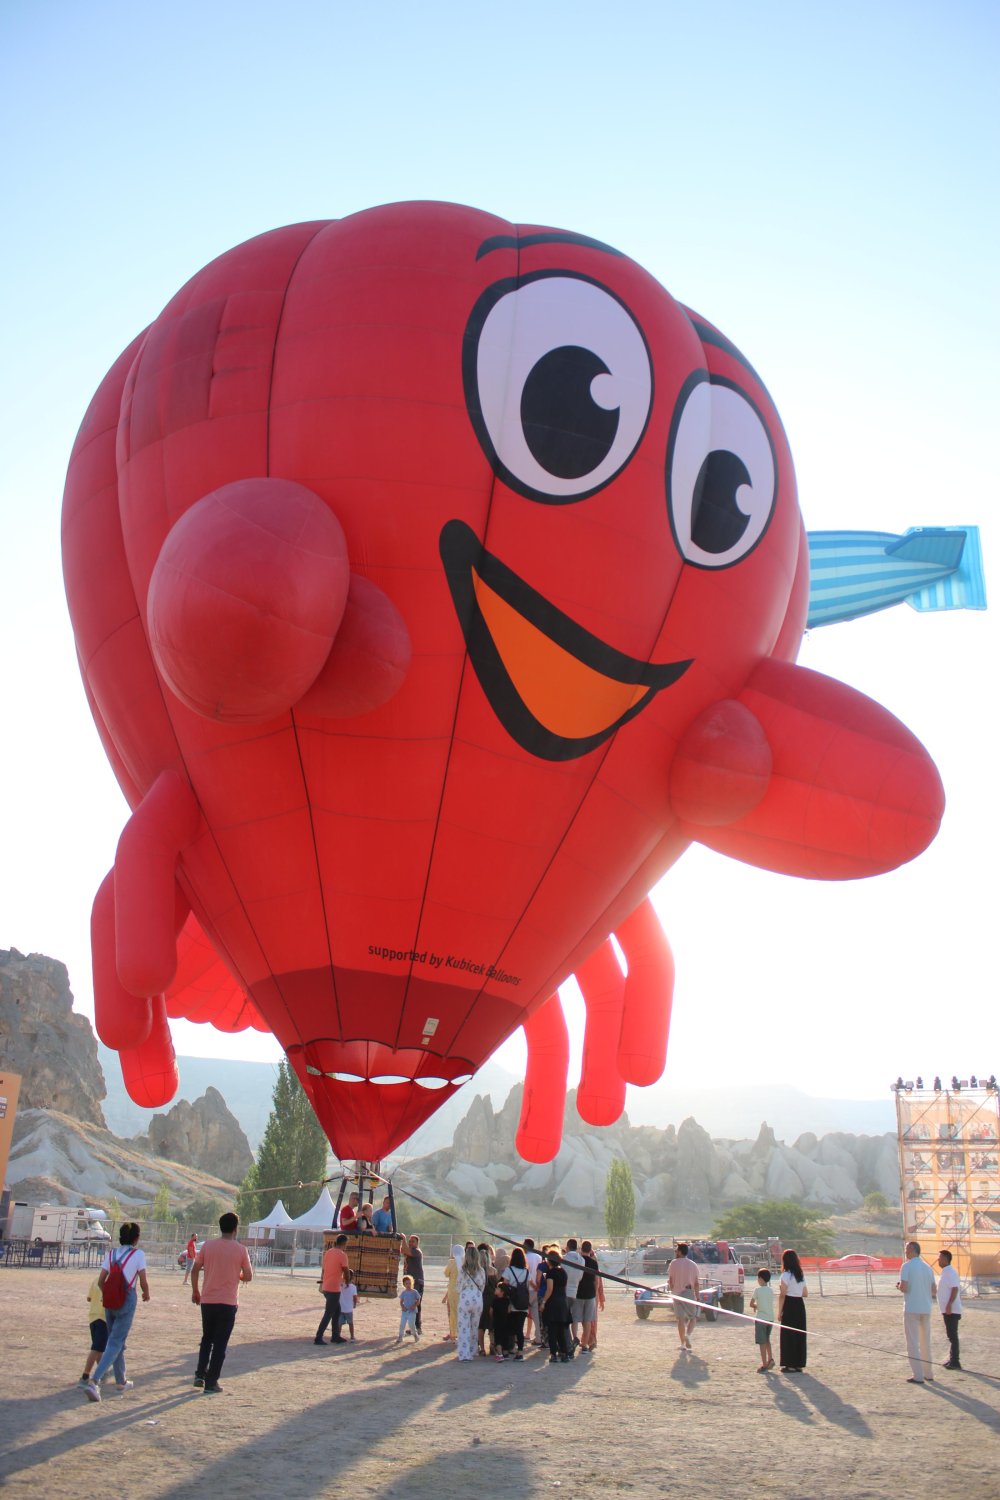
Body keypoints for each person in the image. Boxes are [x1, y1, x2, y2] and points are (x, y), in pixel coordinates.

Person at [85, 1222, 150, 1402]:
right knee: (115, 1342)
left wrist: (108, 1293)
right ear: (136, 1238)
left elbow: (100, 1281)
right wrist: (146, 1293)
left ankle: (121, 1381)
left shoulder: (112, 1253)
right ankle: (94, 1380)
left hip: (109, 1301)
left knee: (117, 1341)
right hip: (127, 1300)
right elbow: (143, 1280)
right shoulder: (138, 1255)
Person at [191, 1210, 253, 1393]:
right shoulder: (241, 1250)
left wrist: (195, 1290)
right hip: (227, 1302)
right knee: (220, 1343)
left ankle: (200, 1374)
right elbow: (248, 1276)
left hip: (208, 1300)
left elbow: (195, 1269)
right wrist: (238, 1275)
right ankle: (212, 1382)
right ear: (235, 1229)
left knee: (206, 1339)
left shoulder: (208, 1246)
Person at [898, 1240, 936, 1383]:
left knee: (913, 1342)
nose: (906, 1252)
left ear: (913, 1250)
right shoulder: (928, 1267)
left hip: (912, 1308)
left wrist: (899, 1287)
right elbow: (934, 1290)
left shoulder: (906, 1266)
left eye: (907, 1249)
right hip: (926, 1308)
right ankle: (929, 1373)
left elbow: (905, 1287)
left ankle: (918, 1375)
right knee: (925, 1341)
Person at [316, 1232, 351, 1344]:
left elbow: (325, 1268)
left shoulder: (329, 1252)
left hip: (326, 1286)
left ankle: (335, 1336)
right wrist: (348, 1282)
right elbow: (346, 1271)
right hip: (334, 1288)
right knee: (329, 1313)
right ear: (344, 1243)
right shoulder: (342, 1255)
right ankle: (318, 1337)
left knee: (336, 1311)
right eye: (346, 1244)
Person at [777, 1249, 808, 1373]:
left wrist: (779, 1311)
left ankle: (789, 1364)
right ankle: (798, 1364)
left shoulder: (785, 1275)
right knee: (799, 1333)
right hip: (799, 1304)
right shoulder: (800, 1275)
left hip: (789, 1304)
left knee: (788, 1334)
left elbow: (782, 1294)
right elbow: (805, 1293)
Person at [667, 1242, 700, 1352]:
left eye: (676, 1250)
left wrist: (672, 1289)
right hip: (688, 1292)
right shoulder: (693, 1264)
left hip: (676, 1293)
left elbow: (670, 1280)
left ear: (680, 1251)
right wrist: (697, 1296)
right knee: (693, 1317)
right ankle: (688, 1335)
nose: (676, 1252)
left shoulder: (673, 1263)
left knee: (680, 1319)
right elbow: (696, 1283)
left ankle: (682, 1344)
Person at [541, 1249, 572, 1362]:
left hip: (553, 1303)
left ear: (550, 1261)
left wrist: (543, 1302)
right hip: (563, 1302)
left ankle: (553, 1354)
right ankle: (564, 1353)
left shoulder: (551, 1273)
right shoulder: (563, 1272)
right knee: (561, 1330)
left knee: (552, 1330)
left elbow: (550, 1289)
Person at [456, 1244, 485, 1360]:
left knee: (464, 1327)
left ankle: (464, 1354)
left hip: (465, 1297)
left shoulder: (463, 1270)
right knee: (474, 1326)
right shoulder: (481, 1270)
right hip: (477, 1298)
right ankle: (473, 1350)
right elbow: (482, 1285)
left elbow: (458, 1287)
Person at [576, 1241, 604, 1352]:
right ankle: (587, 1343)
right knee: (589, 1320)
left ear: (581, 1249)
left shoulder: (578, 1261)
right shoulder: (594, 1263)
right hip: (591, 1294)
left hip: (579, 1293)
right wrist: (596, 1294)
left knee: (578, 1319)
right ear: (591, 1250)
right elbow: (597, 1282)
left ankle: (584, 1341)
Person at [502, 1246, 530, 1358]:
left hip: (512, 1303)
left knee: (509, 1328)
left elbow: (505, 1286)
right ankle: (520, 1352)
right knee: (520, 1329)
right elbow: (527, 1288)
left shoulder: (509, 1270)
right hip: (523, 1304)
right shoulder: (526, 1272)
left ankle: (507, 1349)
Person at [936, 1249, 962, 1370]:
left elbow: (955, 1289)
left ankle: (955, 1361)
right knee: (951, 1335)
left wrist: (949, 1304)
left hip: (952, 1310)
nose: (938, 1260)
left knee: (952, 1335)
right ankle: (952, 1359)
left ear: (946, 1259)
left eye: (940, 1257)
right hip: (949, 1309)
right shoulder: (946, 1272)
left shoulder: (950, 1272)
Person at [80, 1276, 108, 1385]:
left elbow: (89, 1298)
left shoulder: (97, 1279)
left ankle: (102, 1372)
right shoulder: (112, 1280)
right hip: (103, 1317)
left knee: (100, 1348)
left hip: (93, 1317)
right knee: (97, 1348)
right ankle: (85, 1375)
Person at [749, 1267, 775, 1372]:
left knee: (762, 1342)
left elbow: (751, 1304)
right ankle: (770, 1359)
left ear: (760, 1279)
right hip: (770, 1318)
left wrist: (756, 1306)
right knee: (767, 1339)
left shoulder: (757, 1290)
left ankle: (764, 1364)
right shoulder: (771, 1290)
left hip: (761, 1319)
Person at [562, 1237, 585, 1349]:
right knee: (574, 1317)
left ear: (567, 1247)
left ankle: (568, 1343)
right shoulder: (581, 1260)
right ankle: (574, 1336)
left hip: (564, 1291)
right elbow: (580, 1277)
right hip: (574, 1290)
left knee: (565, 1318)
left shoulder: (564, 1258)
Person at [401, 1234, 426, 1334]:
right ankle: (413, 1327)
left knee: (416, 1304)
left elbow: (406, 1250)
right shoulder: (409, 1251)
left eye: (413, 1241)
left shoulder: (416, 1251)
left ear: (417, 1243)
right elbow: (402, 1250)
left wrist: (403, 1239)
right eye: (410, 1241)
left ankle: (418, 1327)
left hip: (417, 1282)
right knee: (411, 1304)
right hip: (411, 1283)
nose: (410, 1243)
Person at [477, 1244, 497, 1356]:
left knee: (481, 1325)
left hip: (481, 1299)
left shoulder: (477, 1271)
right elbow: (495, 1286)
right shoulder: (493, 1270)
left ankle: (482, 1348)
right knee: (491, 1325)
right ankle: (492, 1345)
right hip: (492, 1299)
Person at [523, 1237, 544, 1345]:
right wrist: (538, 1286)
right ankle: (538, 1337)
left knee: (522, 1312)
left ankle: (521, 1335)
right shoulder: (539, 1257)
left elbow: (527, 1274)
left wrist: (533, 1285)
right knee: (536, 1314)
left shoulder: (525, 1257)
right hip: (538, 1289)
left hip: (527, 1288)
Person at [442, 1244, 461, 1340]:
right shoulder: (465, 1262)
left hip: (453, 1289)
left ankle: (453, 1334)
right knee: (461, 1312)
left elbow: (446, 1273)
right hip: (462, 1290)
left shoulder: (451, 1262)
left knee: (453, 1312)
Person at [397, 1275, 421, 1342]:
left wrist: (414, 1305)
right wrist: (403, 1307)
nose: (408, 1285)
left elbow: (418, 1300)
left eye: (409, 1283)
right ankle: (400, 1336)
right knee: (402, 1324)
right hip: (404, 1312)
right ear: (404, 1284)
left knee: (411, 1325)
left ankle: (415, 1335)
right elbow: (401, 1302)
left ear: (412, 1283)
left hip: (412, 1311)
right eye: (406, 1283)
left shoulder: (414, 1292)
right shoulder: (403, 1293)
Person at [339, 1268, 359, 1341]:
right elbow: (355, 1298)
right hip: (349, 1309)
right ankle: (352, 1337)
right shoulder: (353, 1287)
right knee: (350, 1323)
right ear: (352, 1277)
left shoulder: (340, 1285)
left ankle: (338, 1336)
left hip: (341, 1308)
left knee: (339, 1324)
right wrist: (354, 1305)